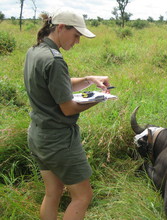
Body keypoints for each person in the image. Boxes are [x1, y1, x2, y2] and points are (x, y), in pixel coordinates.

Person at [24, 9, 111, 220]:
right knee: (83, 196)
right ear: (61, 27)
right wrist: (100, 98)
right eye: (76, 35)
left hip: (38, 135)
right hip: (58, 140)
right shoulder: (55, 60)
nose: (77, 41)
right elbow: (69, 108)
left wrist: (89, 79)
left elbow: (56, 86)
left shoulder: (35, 51)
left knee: (53, 192)